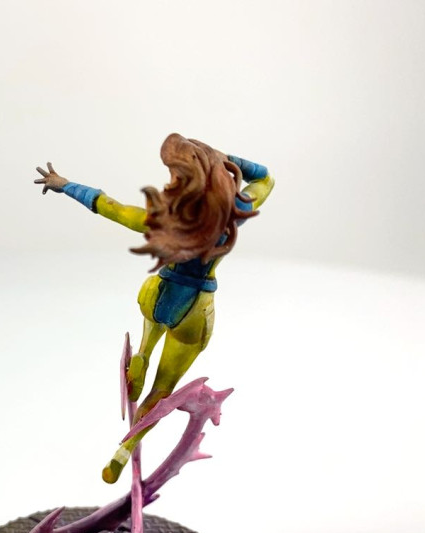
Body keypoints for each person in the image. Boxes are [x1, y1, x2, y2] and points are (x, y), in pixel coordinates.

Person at [35, 133, 274, 483]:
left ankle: (143, 355)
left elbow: (110, 207)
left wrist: (64, 185)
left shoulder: (166, 220)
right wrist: (225, 159)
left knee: (152, 326)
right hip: (197, 309)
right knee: (162, 390)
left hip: (161, 295)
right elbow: (265, 178)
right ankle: (124, 450)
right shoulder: (233, 212)